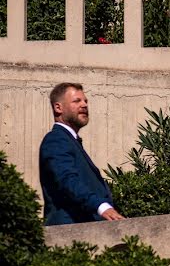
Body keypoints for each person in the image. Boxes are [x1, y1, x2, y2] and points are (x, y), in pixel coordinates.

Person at [39, 83, 125, 225]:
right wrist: (101, 207)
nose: (84, 105)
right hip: (68, 233)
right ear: (58, 107)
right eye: (76, 101)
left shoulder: (69, 140)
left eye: (85, 101)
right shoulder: (56, 140)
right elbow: (67, 180)